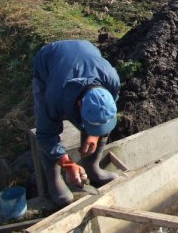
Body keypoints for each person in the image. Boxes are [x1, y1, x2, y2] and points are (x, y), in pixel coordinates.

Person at [32, 39, 121, 206]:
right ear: (79, 106)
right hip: (49, 61)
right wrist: (67, 163)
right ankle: (54, 179)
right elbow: (46, 135)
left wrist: (93, 136)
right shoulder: (55, 96)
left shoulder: (111, 80)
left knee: (101, 120)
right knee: (47, 127)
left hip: (86, 51)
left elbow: (105, 115)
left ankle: (92, 169)